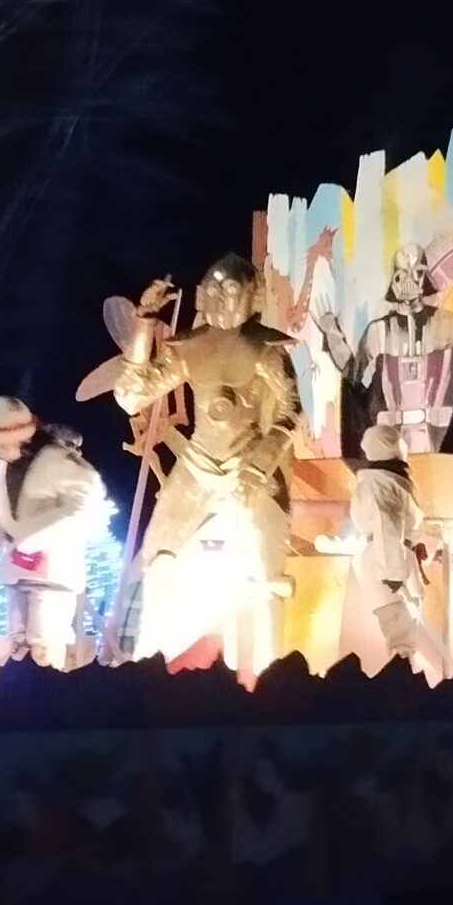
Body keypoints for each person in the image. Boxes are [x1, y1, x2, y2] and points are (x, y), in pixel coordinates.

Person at [93, 254, 300, 673]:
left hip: (248, 463)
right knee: (157, 555)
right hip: (197, 465)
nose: (222, 299)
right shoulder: (189, 349)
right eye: (214, 290)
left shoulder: (266, 350)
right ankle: (149, 660)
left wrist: (258, 466)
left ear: (252, 296)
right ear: (202, 296)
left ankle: (268, 672)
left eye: (232, 289)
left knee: (264, 572)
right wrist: (144, 323)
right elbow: (132, 396)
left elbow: (290, 412)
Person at [313, 240, 453, 677]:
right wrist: (332, 333)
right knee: (408, 618)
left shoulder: (445, 324)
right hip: (393, 439)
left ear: (425, 277)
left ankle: (435, 667)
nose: (408, 283)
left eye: (415, 274)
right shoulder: (378, 331)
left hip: (429, 442)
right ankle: (434, 667)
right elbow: (356, 376)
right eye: (401, 274)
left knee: (409, 620)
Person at [0, 396, 104, 675]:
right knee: (17, 639)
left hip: (53, 571)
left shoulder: (56, 460)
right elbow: (6, 507)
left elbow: (86, 502)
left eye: (2, 443)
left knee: (45, 645)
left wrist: (37, 536)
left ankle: (68, 658)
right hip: (17, 567)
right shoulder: (6, 463)